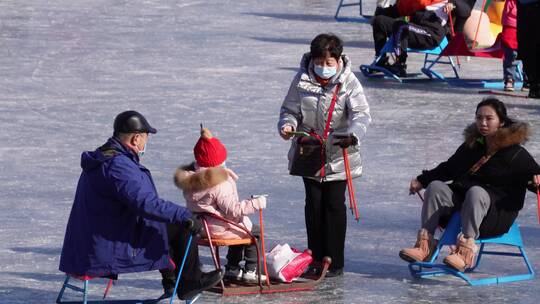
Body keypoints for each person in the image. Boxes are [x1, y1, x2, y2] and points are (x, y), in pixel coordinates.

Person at [59, 110, 222, 301]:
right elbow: (145, 203)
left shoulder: (104, 156)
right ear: (136, 138)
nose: (146, 143)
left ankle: (173, 282)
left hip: (95, 236)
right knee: (181, 226)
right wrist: (185, 214)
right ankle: (190, 282)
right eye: (146, 138)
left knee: (162, 223)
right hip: (107, 244)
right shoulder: (119, 166)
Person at [400, 98, 540, 272]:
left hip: (496, 214)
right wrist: (422, 180)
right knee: (436, 187)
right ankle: (425, 246)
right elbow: (449, 168)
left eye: (489, 119)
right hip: (466, 206)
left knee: (476, 192)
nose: (483, 123)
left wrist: (536, 182)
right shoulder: (472, 146)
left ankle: (465, 252)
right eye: (479, 118)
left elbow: (534, 177)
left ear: (501, 121)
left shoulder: (515, 153)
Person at [278, 33, 371, 277]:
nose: (324, 67)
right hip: (309, 151)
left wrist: (353, 134)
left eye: (329, 62)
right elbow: (289, 110)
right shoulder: (301, 80)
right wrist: (287, 126)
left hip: (339, 152)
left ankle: (335, 261)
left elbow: (361, 114)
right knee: (314, 205)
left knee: (334, 206)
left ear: (338, 61)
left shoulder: (348, 81)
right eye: (320, 61)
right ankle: (316, 257)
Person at [173, 127, 267, 283]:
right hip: (219, 228)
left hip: (202, 228)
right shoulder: (220, 183)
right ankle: (252, 270)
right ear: (218, 160)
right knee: (254, 231)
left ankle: (232, 268)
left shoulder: (192, 180)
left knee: (239, 228)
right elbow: (234, 210)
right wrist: (256, 203)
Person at [369, 0, 472, 77]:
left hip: (432, 32)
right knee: (379, 21)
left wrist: (453, 4)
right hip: (413, 29)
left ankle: (400, 65)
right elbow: (396, 11)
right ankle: (381, 60)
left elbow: (466, 11)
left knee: (401, 26)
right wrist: (380, 12)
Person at [498, 0, 527, 92]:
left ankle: (529, 79)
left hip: (530, 18)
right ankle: (509, 78)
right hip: (511, 22)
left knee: (530, 52)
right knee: (511, 52)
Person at [517, 0, 540, 98]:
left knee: (532, 48)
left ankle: (535, 85)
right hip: (525, 7)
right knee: (527, 48)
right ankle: (534, 85)